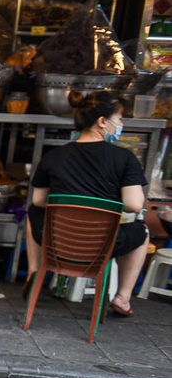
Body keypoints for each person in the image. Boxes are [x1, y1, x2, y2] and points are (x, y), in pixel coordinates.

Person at [23, 91, 150, 317]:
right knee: (142, 231)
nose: (120, 125)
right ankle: (122, 297)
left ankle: (34, 271)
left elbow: (39, 200)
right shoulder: (125, 159)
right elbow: (134, 204)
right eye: (119, 119)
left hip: (56, 242)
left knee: (33, 212)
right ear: (102, 122)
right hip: (102, 246)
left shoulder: (55, 155)